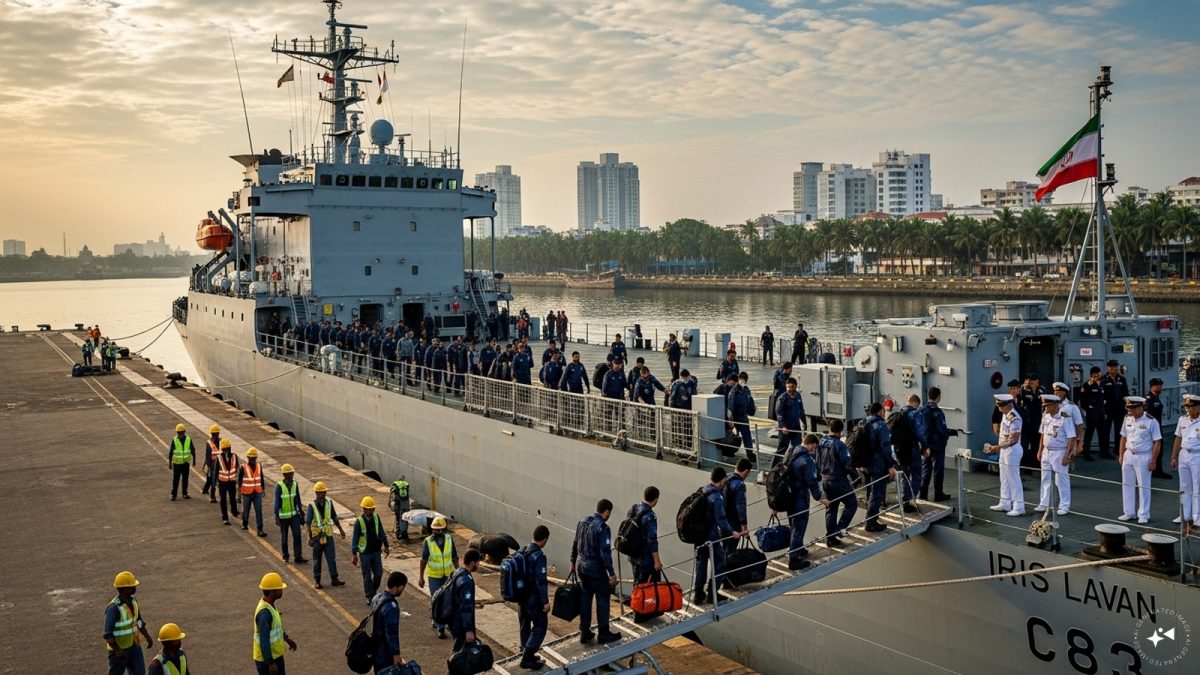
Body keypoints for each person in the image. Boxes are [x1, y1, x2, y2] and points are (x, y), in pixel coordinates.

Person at [570, 499, 620, 645]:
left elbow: (575, 543)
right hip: (596, 570)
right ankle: (603, 633)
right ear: (607, 511)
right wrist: (611, 573)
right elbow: (605, 553)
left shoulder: (582, 522)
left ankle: (585, 632)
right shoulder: (603, 528)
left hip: (581, 567)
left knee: (585, 600)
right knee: (602, 600)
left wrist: (572, 561)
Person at [782, 434, 830, 569]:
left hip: (789, 496)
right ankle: (793, 559)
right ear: (811, 444)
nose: (814, 449)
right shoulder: (807, 460)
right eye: (814, 446)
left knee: (793, 524)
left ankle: (799, 548)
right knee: (799, 526)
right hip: (800, 498)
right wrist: (820, 498)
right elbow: (812, 482)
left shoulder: (791, 451)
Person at [693, 467, 739, 604]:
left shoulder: (702, 490)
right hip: (711, 535)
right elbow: (721, 520)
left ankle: (698, 594)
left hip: (699, 535)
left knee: (701, 564)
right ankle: (712, 594)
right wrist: (732, 532)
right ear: (722, 480)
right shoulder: (717, 497)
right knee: (719, 562)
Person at [1118, 396, 1161, 524]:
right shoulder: (1127, 418)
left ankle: (1143, 514)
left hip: (1144, 455)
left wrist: (1153, 460)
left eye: (1133, 408)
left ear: (1141, 407)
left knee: (1143, 486)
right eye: (1129, 408)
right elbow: (1123, 437)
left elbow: (1157, 442)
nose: (1130, 411)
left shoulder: (1151, 421)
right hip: (1129, 454)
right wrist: (1121, 455)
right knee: (1127, 484)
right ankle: (1129, 512)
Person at [858, 403, 898, 532]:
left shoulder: (862, 422)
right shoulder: (881, 425)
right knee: (877, 492)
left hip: (865, 462)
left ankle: (871, 518)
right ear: (880, 411)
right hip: (877, 462)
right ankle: (871, 522)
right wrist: (890, 465)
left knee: (871, 490)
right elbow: (885, 447)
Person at [104, 571, 154, 675]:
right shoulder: (113, 608)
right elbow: (108, 634)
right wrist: (117, 650)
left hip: (135, 646)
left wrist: (147, 636)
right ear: (123, 589)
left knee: (139, 673)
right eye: (132, 586)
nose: (135, 588)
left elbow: (138, 621)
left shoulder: (134, 601)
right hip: (119, 650)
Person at [1035, 394, 1076, 515]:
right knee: (1045, 478)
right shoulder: (1045, 415)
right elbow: (1042, 434)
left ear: (1055, 405)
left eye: (1047, 405)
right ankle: (1044, 503)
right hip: (1047, 450)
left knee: (1061, 479)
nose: (1045, 408)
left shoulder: (1065, 417)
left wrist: (1067, 455)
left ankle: (1064, 505)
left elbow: (1071, 437)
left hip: (1059, 451)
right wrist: (1040, 450)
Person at [517, 526, 551, 670]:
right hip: (533, 598)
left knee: (525, 623)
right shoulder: (539, 556)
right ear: (545, 539)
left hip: (521, 596)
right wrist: (545, 601)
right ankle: (527, 657)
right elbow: (541, 581)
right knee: (541, 625)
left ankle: (526, 651)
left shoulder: (522, 551)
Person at [419, 515, 457, 638]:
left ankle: (439, 621)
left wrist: (458, 572)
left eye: (439, 530)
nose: (437, 532)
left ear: (443, 529)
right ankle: (440, 627)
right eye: (435, 530)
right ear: (432, 529)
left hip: (448, 575)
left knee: (447, 600)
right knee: (437, 600)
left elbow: (454, 557)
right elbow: (423, 560)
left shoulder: (449, 539)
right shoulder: (428, 542)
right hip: (434, 576)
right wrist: (421, 577)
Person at [989, 394, 1026, 517]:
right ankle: (1005, 502)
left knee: (1013, 478)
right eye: (998, 405)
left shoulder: (1015, 417)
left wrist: (997, 447)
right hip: (1004, 449)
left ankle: (1019, 506)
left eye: (1001, 405)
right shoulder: (1005, 415)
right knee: (1004, 477)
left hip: (1012, 449)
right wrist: (999, 447)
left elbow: (1013, 439)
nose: (999, 408)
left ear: (1008, 404)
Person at [253, 572, 297, 675]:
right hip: (267, 660)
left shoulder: (270, 605)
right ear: (273, 592)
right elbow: (264, 640)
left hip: (275, 656)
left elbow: (275, 627)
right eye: (279, 589)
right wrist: (270, 663)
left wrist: (286, 639)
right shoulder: (265, 614)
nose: (281, 591)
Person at [306, 481, 347, 589]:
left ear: (325, 493)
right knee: (317, 559)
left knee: (331, 558)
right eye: (318, 493)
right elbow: (308, 522)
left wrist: (341, 530)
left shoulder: (329, 503)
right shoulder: (312, 506)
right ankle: (317, 580)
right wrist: (310, 537)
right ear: (315, 493)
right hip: (317, 536)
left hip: (328, 535)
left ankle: (334, 579)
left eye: (322, 493)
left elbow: (334, 517)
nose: (320, 495)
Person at [351, 496, 391, 603]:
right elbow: (355, 538)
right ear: (363, 509)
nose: (370, 511)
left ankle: (372, 591)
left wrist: (386, 545)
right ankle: (369, 595)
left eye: (372, 509)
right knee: (367, 575)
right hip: (365, 553)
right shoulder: (359, 522)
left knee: (378, 574)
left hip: (376, 551)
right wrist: (354, 554)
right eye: (368, 509)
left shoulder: (376, 517)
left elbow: (381, 532)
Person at [1172, 394, 1200, 533]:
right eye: (1187, 407)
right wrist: (1174, 456)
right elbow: (1178, 438)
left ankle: (1197, 519)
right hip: (1184, 454)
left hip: (1197, 455)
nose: (1188, 409)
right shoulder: (1182, 420)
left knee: (1197, 487)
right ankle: (1186, 516)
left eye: (1191, 406)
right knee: (1184, 487)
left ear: (1198, 407)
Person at [370, 571, 408, 673]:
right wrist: (396, 654)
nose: (402, 590)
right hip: (385, 650)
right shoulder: (391, 607)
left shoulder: (376, 598)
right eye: (403, 587)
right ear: (399, 587)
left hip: (375, 646)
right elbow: (391, 632)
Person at [920, 388, 951, 502]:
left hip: (925, 444)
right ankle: (938, 494)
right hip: (937, 445)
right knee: (938, 469)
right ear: (938, 397)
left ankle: (923, 494)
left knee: (925, 469)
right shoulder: (937, 412)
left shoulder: (921, 410)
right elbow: (941, 429)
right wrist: (946, 436)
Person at [898, 394, 927, 512]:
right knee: (916, 475)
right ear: (916, 403)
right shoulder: (915, 414)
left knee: (904, 475)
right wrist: (925, 447)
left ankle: (903, 500)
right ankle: (909, 500)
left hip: (899, 449)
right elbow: (920, 433)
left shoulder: (900, 413)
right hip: (912, 448)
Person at [448, 549, 481, 652]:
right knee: (460, 652)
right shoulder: (466, 581)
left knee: (461, 649)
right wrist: (468, 630)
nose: (478, 565)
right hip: (461, 622)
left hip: (453, 618)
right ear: (473, 563)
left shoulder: (458, 572)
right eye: (478, 562)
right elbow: (465, 607)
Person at [274, 464, 307, 564]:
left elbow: (297, 499)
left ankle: (298, 556)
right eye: (290, 473)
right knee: (284, 538)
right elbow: (277, 502)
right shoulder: (279, 486)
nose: (292, 475)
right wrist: (276, 516)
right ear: (285, 475)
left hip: (294, 515)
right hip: (283, 517)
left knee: (297, 535)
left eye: (292, 473)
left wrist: (301, 512)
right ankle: (286, 556)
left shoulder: (295, 484)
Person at [1053, 381, 1086, 465]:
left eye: (1058, 392)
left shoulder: (1072, 407)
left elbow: (1079, 426)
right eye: (1055, 391)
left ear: (1064, 393)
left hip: (1068, 440)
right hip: (1055, 439)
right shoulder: (1052, 405)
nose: (1056, 393)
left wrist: (1080, 443)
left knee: (1066, 463)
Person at [1101, 360, 1129, 460]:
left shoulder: (1122, 379)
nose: (1112, 369)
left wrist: (1127, 406)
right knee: (1106, 431)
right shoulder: (1103, 379)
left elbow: (1126, 393)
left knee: (1119, 430)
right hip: (1107, 409)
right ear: (1108, 368)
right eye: (1110, 367)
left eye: (1114, 366)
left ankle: (1118, 449)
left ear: (1117, 367)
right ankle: (1105, 451)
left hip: (1119, 408)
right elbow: (1101, 395)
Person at [774, 376, 805, 466]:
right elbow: (779, 414)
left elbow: (801, 410)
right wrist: (783, 426)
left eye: (792, 387)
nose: (790, 389)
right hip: (786, 428)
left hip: (795, 426)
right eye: (788, 387)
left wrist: (805, 423)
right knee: (782, 449)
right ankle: (775, 468)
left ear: (796, 386)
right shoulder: (782, 398)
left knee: (797, 448)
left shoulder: (798, 396)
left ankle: (793, 466)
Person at [722, 459, 751, 555]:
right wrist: (744, 525)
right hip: (733, 521)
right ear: (746, 471)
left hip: (722, 520)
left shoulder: (725, 479)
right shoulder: (740, 485)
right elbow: (740, 506)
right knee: (731, 550)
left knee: (723, 548)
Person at [1018, 374, 1046, 470]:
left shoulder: (1041, 389)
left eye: (1032, 381)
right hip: (1026, 422)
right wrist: (1023, 389)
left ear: (1037, 381)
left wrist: (1033, 391)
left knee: (1036, 444)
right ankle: (1023, 465)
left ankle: (1036, 465)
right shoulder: (1024, 390)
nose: (1030, 383)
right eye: (1029, 381)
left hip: (1036, 421)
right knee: (1024, 444)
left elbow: (1037, 400)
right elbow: (1021, 399)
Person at [1146, 378, 1172, 479]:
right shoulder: (1149, 398)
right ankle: (1155, 471)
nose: (1161, 387)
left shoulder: (1156, 397)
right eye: (1159, 386)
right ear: (1153, 386)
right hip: (1152, 428)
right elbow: (1148, 414)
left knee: (1159, 450)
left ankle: (1158, 470)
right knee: (1155, 449)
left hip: (1157, 426)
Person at [238, 447, 268, 536]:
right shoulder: (243, 467)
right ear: (248, 457)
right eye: (251, 458)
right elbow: (239, 481)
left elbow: (261, 478)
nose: (253, 459)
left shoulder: (259, 466)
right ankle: (245, 524)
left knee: (259, 511)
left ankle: (260, 529)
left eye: (254, 458)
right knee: (246, 510)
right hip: (246, 493)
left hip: (257, 492)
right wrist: (238, 494)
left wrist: (263, 489)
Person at [1077, 367, 1105, 461]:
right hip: (1092, 413)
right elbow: (1082, 399)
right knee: (1089, 434)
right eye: (1094, 373)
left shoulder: (1103, 383)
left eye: (1098, 373)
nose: (1096, 375)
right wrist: (1087, 410)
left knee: (1103, 434)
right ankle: (1086, 453)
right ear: (1091, 375)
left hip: (1101, 412)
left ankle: (1104, 452)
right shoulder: (1087, 384)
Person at [728, 372, 757, 462]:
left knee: (747, 436)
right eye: (742, 380)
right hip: (735, 417)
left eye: (745, 380)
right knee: (734, 436)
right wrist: (731, 420)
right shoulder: (734, 392)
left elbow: (750, 401)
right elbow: (731, 407)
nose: (744, 382)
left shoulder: (746, 390)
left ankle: (750, 453)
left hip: (743, 417)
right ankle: (730, 450)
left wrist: (752, 410)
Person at [214, 439, 240, 525]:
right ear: (222, 449)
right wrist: (214, 483)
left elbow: (238, 468)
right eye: (224, 449)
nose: (226, 451)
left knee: (233, 498)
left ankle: (234, 512)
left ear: (230, 448)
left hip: (232, 482)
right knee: (223, 500)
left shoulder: (234, 456)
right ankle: (225, 517)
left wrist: (238, 480)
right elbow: (216, 471)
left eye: (227, 449)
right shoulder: (219, 457)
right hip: (222, 482)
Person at [167, 423, 195, 501]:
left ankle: (185, 493)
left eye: (181, 432)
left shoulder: (188, 439)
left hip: (186, 463)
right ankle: (174, 494)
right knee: (176, 479)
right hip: (177, 464)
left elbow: (193, 450)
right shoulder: (174, 440)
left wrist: (194, 460)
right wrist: (170, 463)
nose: (180, 434)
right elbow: (171, 452)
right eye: (178, 433)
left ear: (184, 432)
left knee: (185, 479)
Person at [201, 424, 221, 503]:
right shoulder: (209, 443)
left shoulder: (221, 442)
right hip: (212, 465)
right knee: (213, 480)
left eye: (216, 434)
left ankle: (205, 489)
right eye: (213, 434)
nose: (214, 435)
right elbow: (208, 455)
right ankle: (213, 497)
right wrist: (209, 466)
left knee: (210, 479)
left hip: (219, 464)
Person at [390, 477, 411, 542]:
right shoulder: (405, 486)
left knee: (398, 519)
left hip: (398, 505)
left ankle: (399, 534)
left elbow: (392, 499)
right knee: (404, 520)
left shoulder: (396, 487)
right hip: (405, 506)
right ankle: (404, 536)